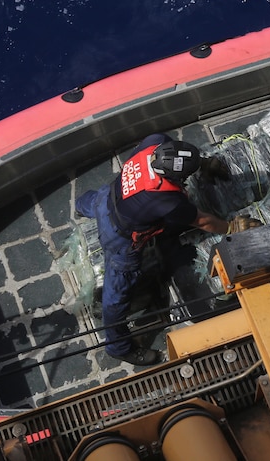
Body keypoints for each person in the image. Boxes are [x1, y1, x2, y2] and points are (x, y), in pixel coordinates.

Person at [75, 134, 257, 365]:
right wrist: (231, 227)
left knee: (95, 201)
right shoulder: (163, 198)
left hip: (109, 196)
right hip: (119, 236)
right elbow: (202, 221)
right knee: (117, 295)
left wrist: (203, 163)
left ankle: (79, 206)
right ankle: (117, 346)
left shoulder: (153, 142)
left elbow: (180, 154)